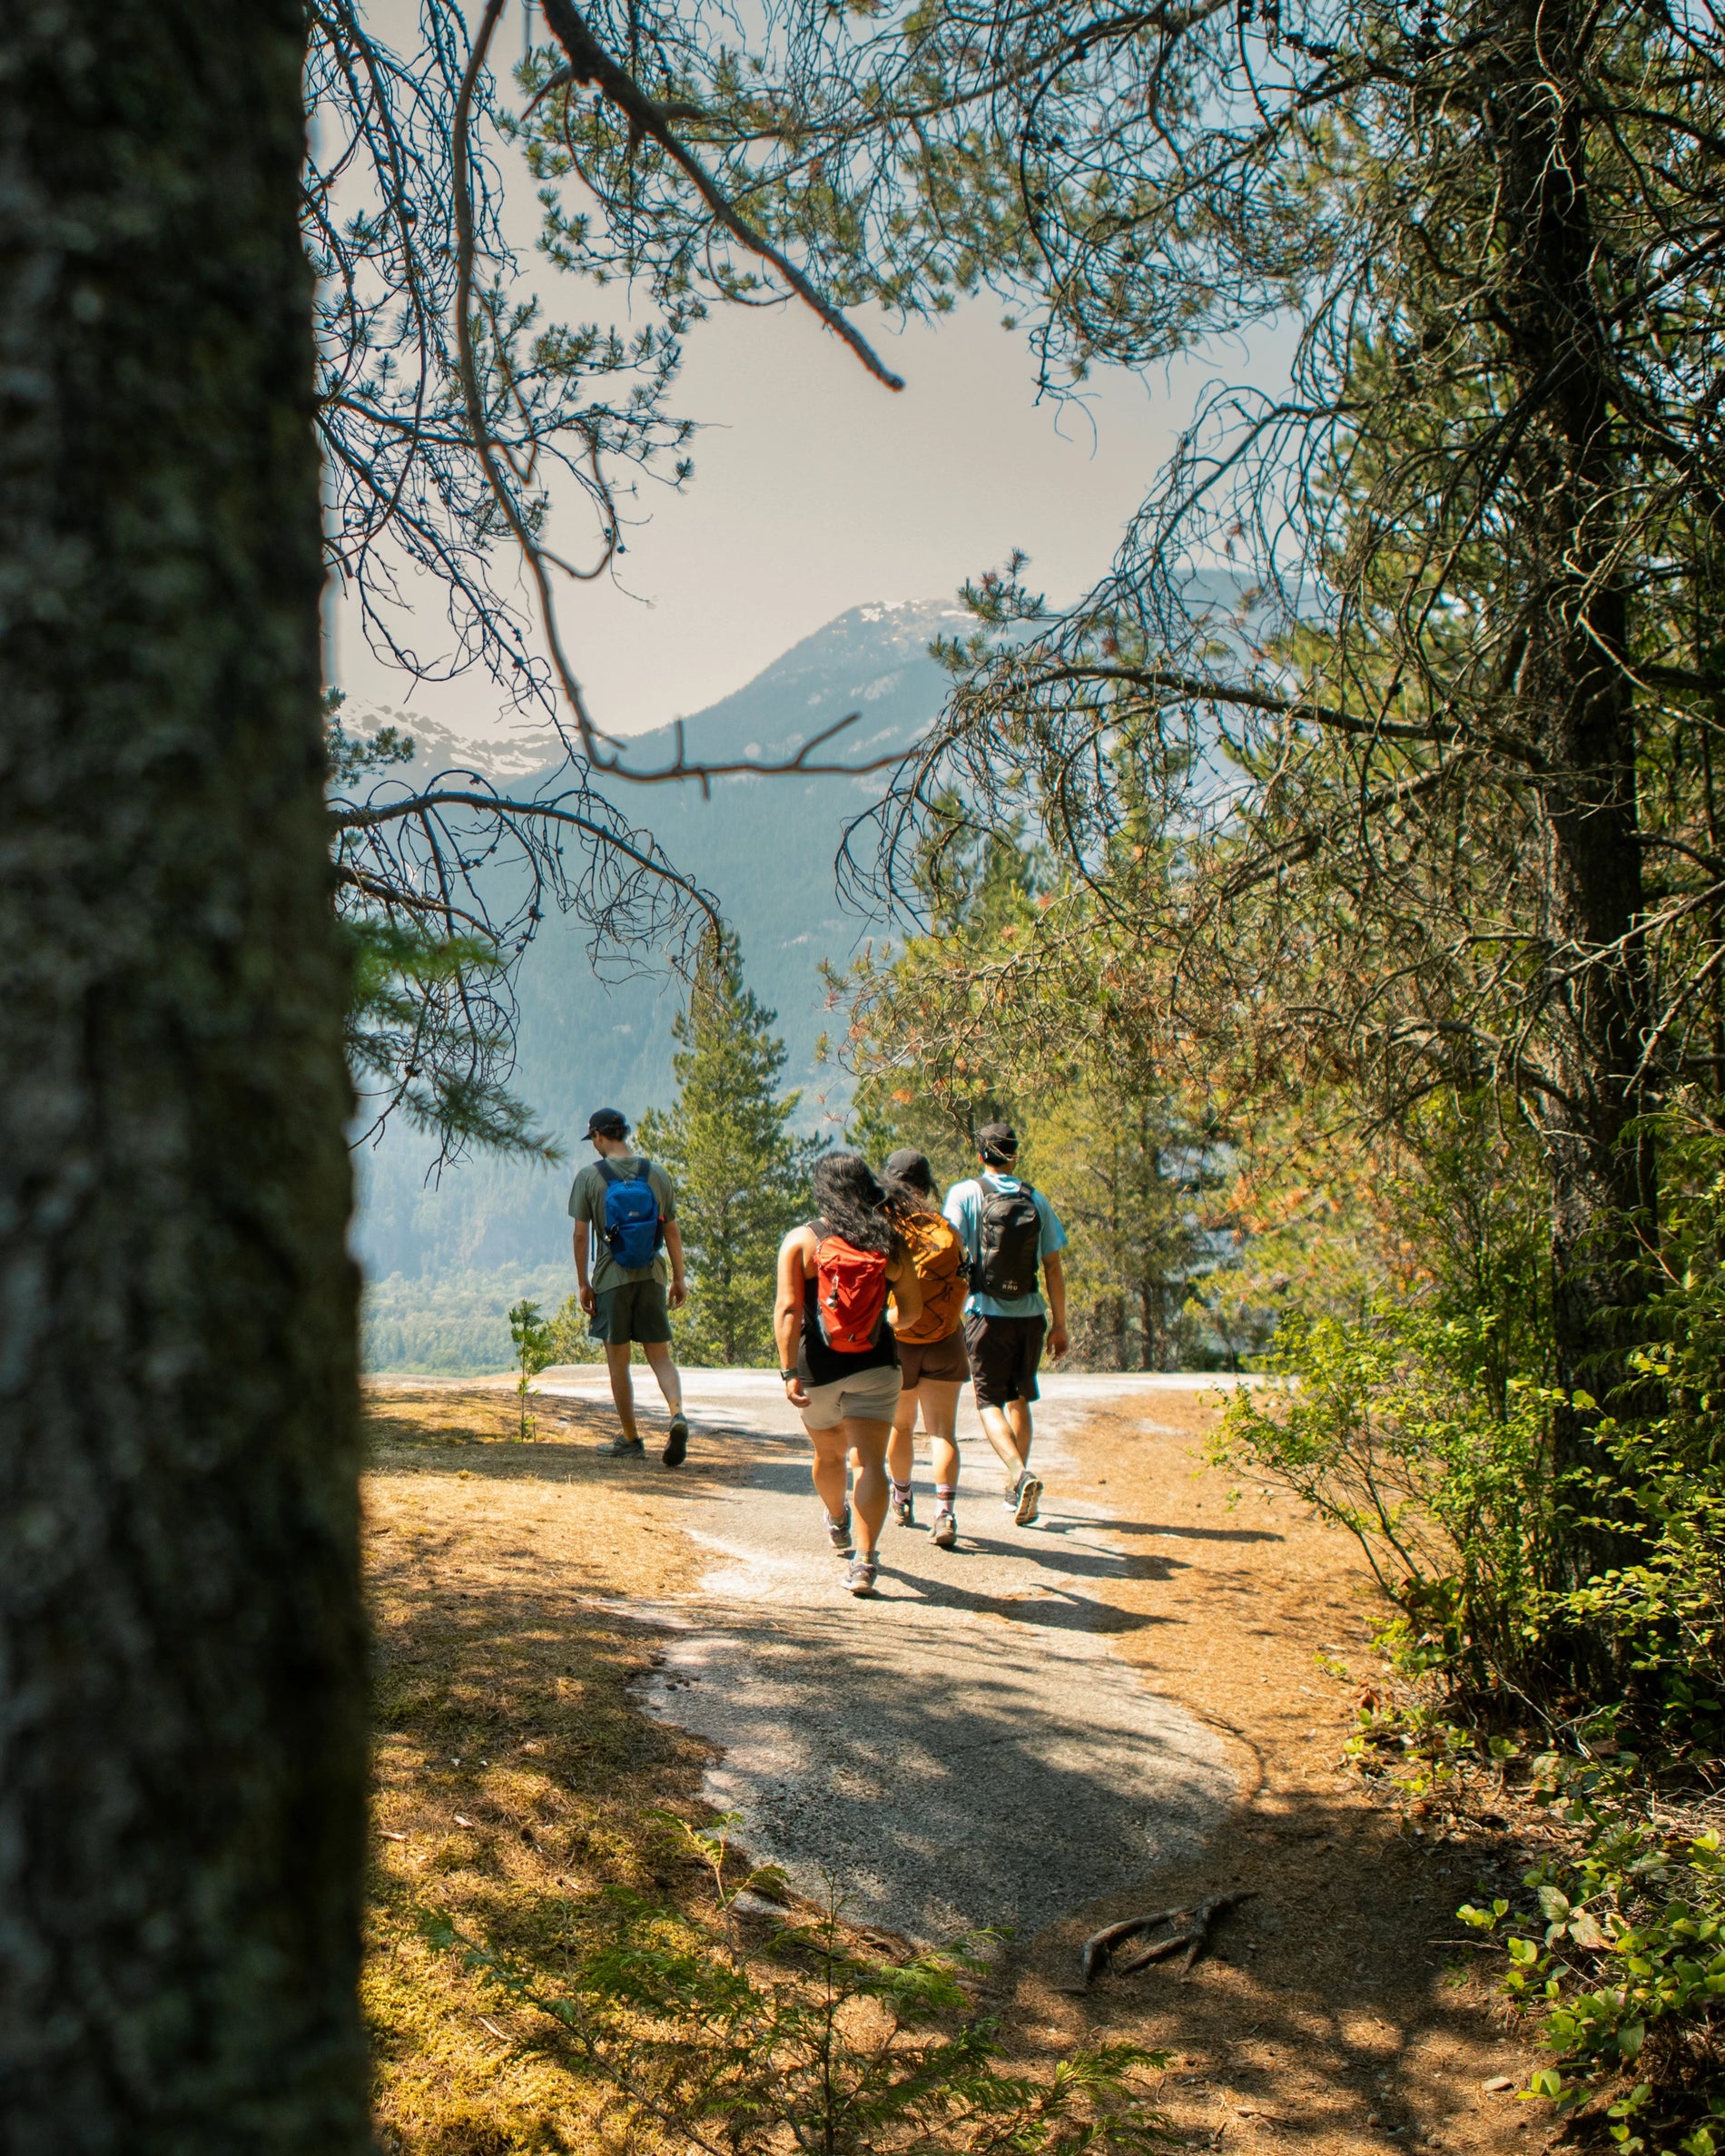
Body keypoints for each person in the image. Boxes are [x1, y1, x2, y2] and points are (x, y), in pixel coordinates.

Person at [774, 1153, 923, 1597]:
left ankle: (837, 1520)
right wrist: (882, 1323)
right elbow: (912, 1312)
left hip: (818, 1369)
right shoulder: (889, 1241)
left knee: (829, 1454)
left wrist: (788, 1371)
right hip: (876, 1365)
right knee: (869, 1463)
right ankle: (865, 1560)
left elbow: (787, 1309)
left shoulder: (802, 1241)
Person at [943, 1121, 1069, 1526]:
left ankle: (1019, 1473)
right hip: (1029, 1316)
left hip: (985, 1314)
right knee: (1020, 1398)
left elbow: (948, 1245)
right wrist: (1060, 1324)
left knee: (988, 1402)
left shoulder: (965, 1194)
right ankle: (1014, 1491)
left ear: (980, 1155)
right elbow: (1053, 1266)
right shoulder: (1037, 1199)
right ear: (1015, 1155)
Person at [568, 1108, 691, 1466]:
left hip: (611, 1279)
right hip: (652, 1276)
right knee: (660, 1356)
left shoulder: (589, 1177)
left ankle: (631, 1438)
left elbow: (580, 1236)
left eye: (592, 1138)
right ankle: (677, 1413)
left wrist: (583, 1283)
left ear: (598, 1136)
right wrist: (679, 1278)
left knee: (618, 1363)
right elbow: (671, 1230)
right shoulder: (656, 1174)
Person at [880, 1148, 971, 1550]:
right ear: (927, 1185)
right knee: (942, 1431)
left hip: (899, 1342)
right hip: (945, 1340)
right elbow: (966, 1279)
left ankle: (901, 1497)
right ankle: (945, 1512)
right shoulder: (947, 1230)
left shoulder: (887, 1229)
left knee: (900, 1426)